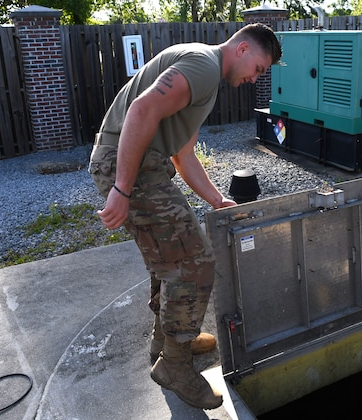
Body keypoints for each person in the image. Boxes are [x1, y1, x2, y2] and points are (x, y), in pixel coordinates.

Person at [88, 23, 282, 410]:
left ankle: (169, 338)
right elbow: (142, 109)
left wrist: (217, 200)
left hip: (145, 165)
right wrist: (123, 188)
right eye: (258, 69)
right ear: (242, 49)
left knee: (170, 257)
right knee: (194, 263)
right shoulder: (204, 66)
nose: (253, 79)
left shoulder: (204, 78)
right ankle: (175, 365)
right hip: (131, 166)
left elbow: (184, 154)